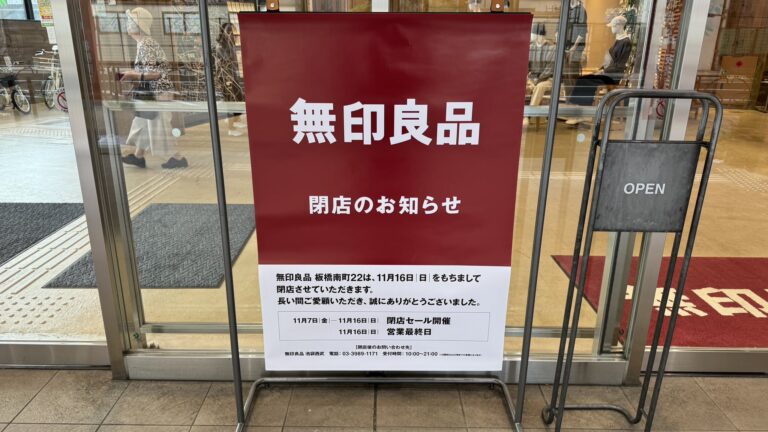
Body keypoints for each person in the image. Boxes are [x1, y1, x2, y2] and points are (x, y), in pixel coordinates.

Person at [120, 7, 188, 169]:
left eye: (131, 21)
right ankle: (138, 156)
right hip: (154, 92)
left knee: (159, 126)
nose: (128, 25)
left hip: (158, 91)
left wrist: (132, 74)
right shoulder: (144, 43)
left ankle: (177, 158)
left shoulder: (146, 44)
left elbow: (154, 73)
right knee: (144, 122)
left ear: (139, 25)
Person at [214, 22, 246, 136]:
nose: (232, 34)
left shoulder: (230, 43)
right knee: (230, 101)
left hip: (233, 75)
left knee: (238, 98)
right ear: (223, 32)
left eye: (233, 31)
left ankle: (236, 120)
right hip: (226, 77)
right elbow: (226, 60)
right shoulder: (221, 46)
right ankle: (231, 128)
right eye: (229, 32)